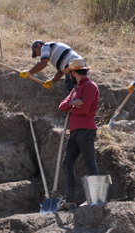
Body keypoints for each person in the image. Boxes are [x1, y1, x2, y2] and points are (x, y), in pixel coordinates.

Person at [57, 59, 100, 210]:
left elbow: (84, 110)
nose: (69, 75)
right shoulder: (75, 89)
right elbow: (61, 106)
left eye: (70, 72)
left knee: (90, 163)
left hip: (86, 131)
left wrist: (72, 107)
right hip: (75, 131)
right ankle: (70, 200)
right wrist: (72, 104)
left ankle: (97, 199)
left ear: (74, 72)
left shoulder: (90, 87)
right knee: (66, 164)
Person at [20, 40, 85, 95]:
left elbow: (43, 64)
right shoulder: (54, 54)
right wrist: (51, 81)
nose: (37, 55)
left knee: (71, 93)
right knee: (78, 91)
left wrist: (29, 72)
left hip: (72, 65)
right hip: (80, 64)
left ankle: (71, 109)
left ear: (38, 45)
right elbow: (60, 72)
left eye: (35, 52)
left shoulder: (45, 46)